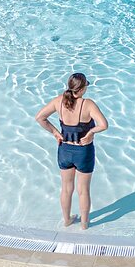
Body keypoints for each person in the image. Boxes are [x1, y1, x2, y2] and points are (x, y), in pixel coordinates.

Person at [34, 73, 108, 230]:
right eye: (86, 85)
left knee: (66, 189)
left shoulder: (59, 101)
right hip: (83, 152)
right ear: (81, 89)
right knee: (83, 191)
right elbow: (104, 125)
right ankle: (84, 224)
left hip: (65, 151)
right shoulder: (88, 104)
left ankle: (67, 220)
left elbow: (40, 117)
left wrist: (55, 132)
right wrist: (91, 132)